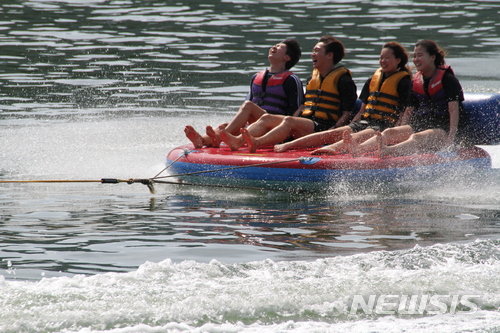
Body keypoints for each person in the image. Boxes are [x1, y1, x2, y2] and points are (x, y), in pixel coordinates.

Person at [219, 35, 357, 153]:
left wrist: (333, 131)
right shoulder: (311, 80)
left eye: (316, 51)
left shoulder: (344, 80)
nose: (312, 54)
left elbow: (347, 113)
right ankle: (237, 141)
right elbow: (303, 107)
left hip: (324, 126)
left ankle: (257, 142)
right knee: (267, 118)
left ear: (329, 55)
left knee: (289, 121)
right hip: (307, 123)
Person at [273, 41, 412, 154]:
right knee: (332, 134)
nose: (383, 61)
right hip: (365, 122)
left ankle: (334, 148)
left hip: (384, 125)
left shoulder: (404, 82)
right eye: (381, 58)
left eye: (387, 58)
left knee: (357, 136)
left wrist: (397, 132)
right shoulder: (372, 80)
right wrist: (352, 124)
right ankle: (290, 145)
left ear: (398, 60)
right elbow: (362, 110)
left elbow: (405, 111)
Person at [346, 39, 464, 158]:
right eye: (414, 56)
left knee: (416, 137)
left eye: (420, 55)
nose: (416, 59)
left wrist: (451, 139)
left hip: (443, 128)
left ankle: (387, 151)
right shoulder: (417, 81)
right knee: (388, 132)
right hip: (421, 124)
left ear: (432, 57)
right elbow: (409, 111)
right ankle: (358, 149)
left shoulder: (448, 79)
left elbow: (454, 110)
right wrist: (401, 130)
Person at [184, 38, 304, 148]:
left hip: (276, 125)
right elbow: (248, 110)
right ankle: (203, 140)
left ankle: (220, 137)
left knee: (248, 106)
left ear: (287, 58)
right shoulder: (256, 77)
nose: (274, 47)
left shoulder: (291, 80)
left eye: (279, 47)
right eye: (274, 45)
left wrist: (289, 135)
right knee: (226, 125)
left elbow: (297, 110)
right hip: (257, 124)